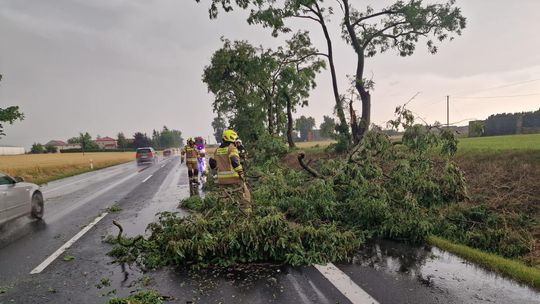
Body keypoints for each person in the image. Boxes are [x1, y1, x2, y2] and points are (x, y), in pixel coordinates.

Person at [209, 129, 252, 215]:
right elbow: (234, 161)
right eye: (235, 139)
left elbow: (212, 165)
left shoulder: (217, 150)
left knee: (225, 200)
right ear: (231, 138)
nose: (236, 141)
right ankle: (247, 215)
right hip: (234, 179)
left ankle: (225, 217)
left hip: (221, 180)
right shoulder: (232, 148)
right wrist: (241, 173)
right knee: (245, 195)